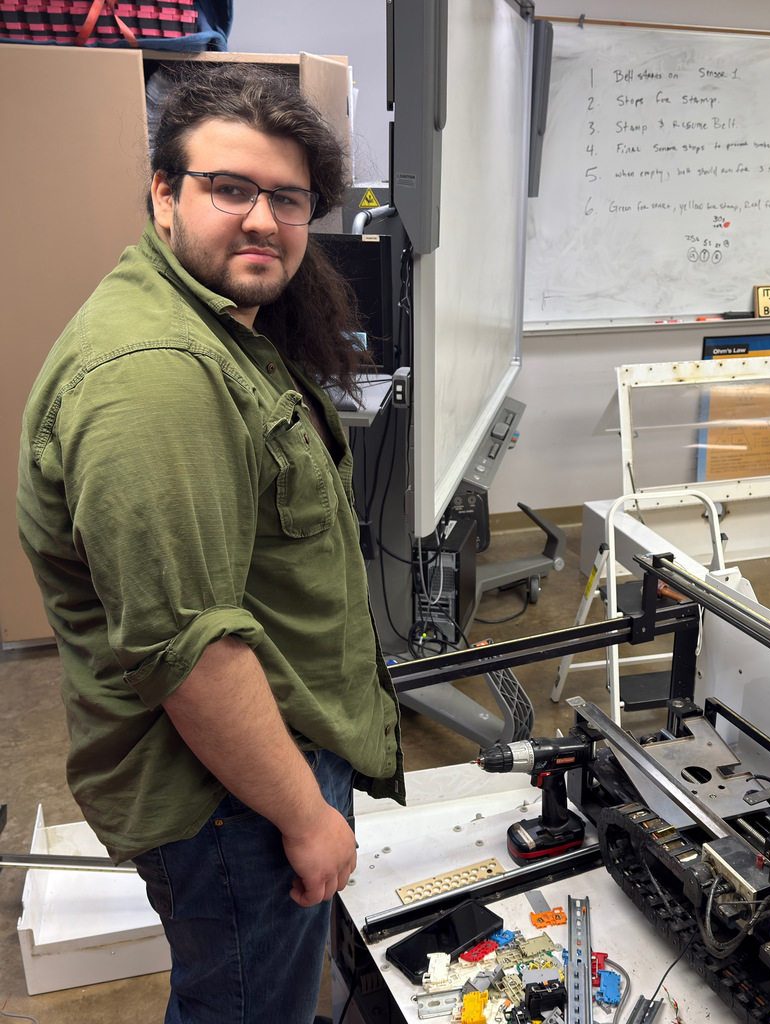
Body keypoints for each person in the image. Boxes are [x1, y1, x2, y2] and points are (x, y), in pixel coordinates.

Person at [17, 64, 404, 1023]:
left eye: (287, 198)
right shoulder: (156, 378)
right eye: (229, 189)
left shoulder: (218, 322)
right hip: (232, 800)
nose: (263, 220)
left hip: (255, 767)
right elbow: (191, 654)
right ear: (164, 192)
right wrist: (305, 819)